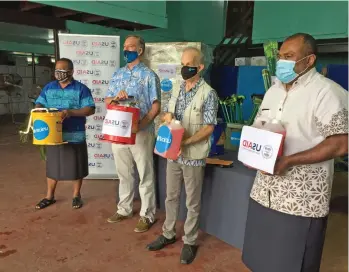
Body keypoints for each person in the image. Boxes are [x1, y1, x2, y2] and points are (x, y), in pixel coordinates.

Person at [242, 33, 348, 272]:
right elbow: (260, 127)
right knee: (261, 259)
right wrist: (252, 150)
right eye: (280, 56)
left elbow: (341, 143)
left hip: (301, 200)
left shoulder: (327, 93)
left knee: (294, 263)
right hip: (264, 193)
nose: (281, 62)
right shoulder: (274, 91)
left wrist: (290, 160)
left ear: (309, 60)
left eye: (289, 56)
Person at [146, 47, 219, 264]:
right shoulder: (176, 87)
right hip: (173, 154)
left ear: (200, 67)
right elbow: (169, 112)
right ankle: (168, 233)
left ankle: (190, 241)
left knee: (192, 202)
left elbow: (209, 128)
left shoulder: (208, 93)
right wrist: (167, 118)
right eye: (182, 64)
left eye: (189, 65)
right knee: (171, 195)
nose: (184, 69)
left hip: (193, 155)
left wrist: (185, 142)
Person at [105, 35, 160, 233]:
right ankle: (124, 208)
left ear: (140, 50)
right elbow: (107, 101)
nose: (126, 49)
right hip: (119, 132)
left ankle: (147, 214)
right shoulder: (117, 75)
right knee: (124, 173)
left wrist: (142, 125)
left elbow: (156, 106)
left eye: (131, 46)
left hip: (141, 133)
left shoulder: (149, 75)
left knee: (145, 174)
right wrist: (115, 98)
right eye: (125, 46)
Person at [35, 58, 95, 210]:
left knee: (76, 166)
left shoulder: (81, 89)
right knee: (52, 166)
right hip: (53, 135)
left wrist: (70, 112)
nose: (58, 74)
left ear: (71, 72)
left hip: (75, 134)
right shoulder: (49, 88)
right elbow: (39, 102)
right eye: (56, 70)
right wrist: (40, 109)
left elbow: (90, 109)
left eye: (62, 71)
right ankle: (49, 196)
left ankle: (76, 195)